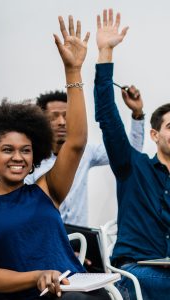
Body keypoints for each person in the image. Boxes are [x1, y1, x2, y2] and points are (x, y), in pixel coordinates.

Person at [0, 16, 110, 300]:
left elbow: (76, 143)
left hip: (73, 290)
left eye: (25, 150)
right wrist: (38, 277)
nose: (18, 157)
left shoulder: (46, 190)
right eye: (7, 150)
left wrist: (73, 71)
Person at [94, 9, 170, 300]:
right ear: (154, 135)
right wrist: (105, 53)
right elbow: (108, 118)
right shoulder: (132, 166)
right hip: (134, 274)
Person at [24, 88, 144, 226]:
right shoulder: (31, 158)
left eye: (66, 115)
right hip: (45, 235)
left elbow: (128, 152)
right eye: (54, 117)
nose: (62, 122)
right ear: (42, 121)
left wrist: (137, 114)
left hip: (80, 237)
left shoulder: (85, 151)